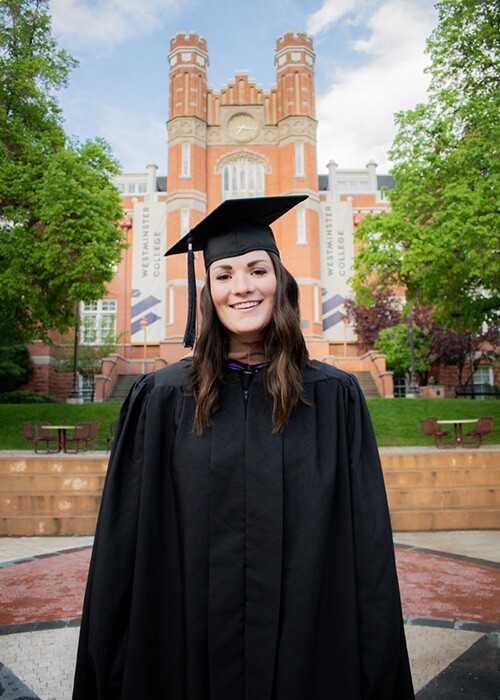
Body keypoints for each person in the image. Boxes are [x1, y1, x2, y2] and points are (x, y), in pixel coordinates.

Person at [72, 195, 414, 699]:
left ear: (281, 282)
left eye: (257, 270)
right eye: (225, 275)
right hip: (184, 651)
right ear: (207, 292)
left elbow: (369, 548)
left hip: (308, 652)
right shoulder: (162, 398)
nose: (243, 288)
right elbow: (121, 545)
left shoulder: (333, 397)